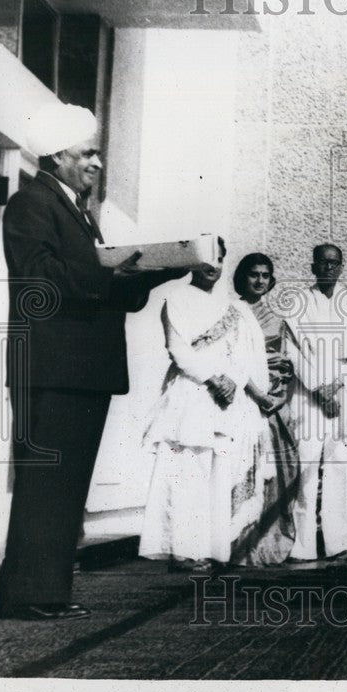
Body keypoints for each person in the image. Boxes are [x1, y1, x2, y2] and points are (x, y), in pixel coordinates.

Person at [0, 103, 177, 620]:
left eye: (97, 152)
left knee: (67, 485)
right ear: (57, 157)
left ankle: (45, 591)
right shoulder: (32, 203)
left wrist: (160, 270)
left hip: (81, 370)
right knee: (46, 484)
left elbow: (102, 285)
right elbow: (40, 276)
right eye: (87, 152)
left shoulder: (78, 210)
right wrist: (111, 278)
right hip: (54, 369)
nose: (97, 162)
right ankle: (28, 594)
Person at [139, 239, 273, 571]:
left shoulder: (232, 307)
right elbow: (179, 349)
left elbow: (246, 354)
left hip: (225, 399)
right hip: (192, 392)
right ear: (194, 263)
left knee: (217, 473)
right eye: (207, 260)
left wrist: (234, 380)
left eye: (219, 259)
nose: (212, 266)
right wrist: (214, 378)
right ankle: (182, 551)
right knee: (187, 472)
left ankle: (213, 548)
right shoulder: (177, 299)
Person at [286, 244, 347, 559]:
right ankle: (301, 547)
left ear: (341, 266)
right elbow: (294, 352)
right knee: (306, 466)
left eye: (334, 263)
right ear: (313, 266)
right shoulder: (298, 303)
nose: (329, 269)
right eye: (323, 263)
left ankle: (342, 544)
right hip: (309, 397)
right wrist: (320, 389)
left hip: (343, 394)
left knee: (341, 467)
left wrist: (336, 387)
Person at [230, 253, 300, 566]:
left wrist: (277, 397)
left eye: (264, 275)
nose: (259, 280)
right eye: (253, 274)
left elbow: (284, 364)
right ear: (241, 277)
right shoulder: (230, 313)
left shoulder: (276, 319)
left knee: (280, 469)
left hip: (272, 403)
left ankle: (267, 543)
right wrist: (256, 394)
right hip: (240, 400)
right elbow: (231, 360)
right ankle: (236, 545)